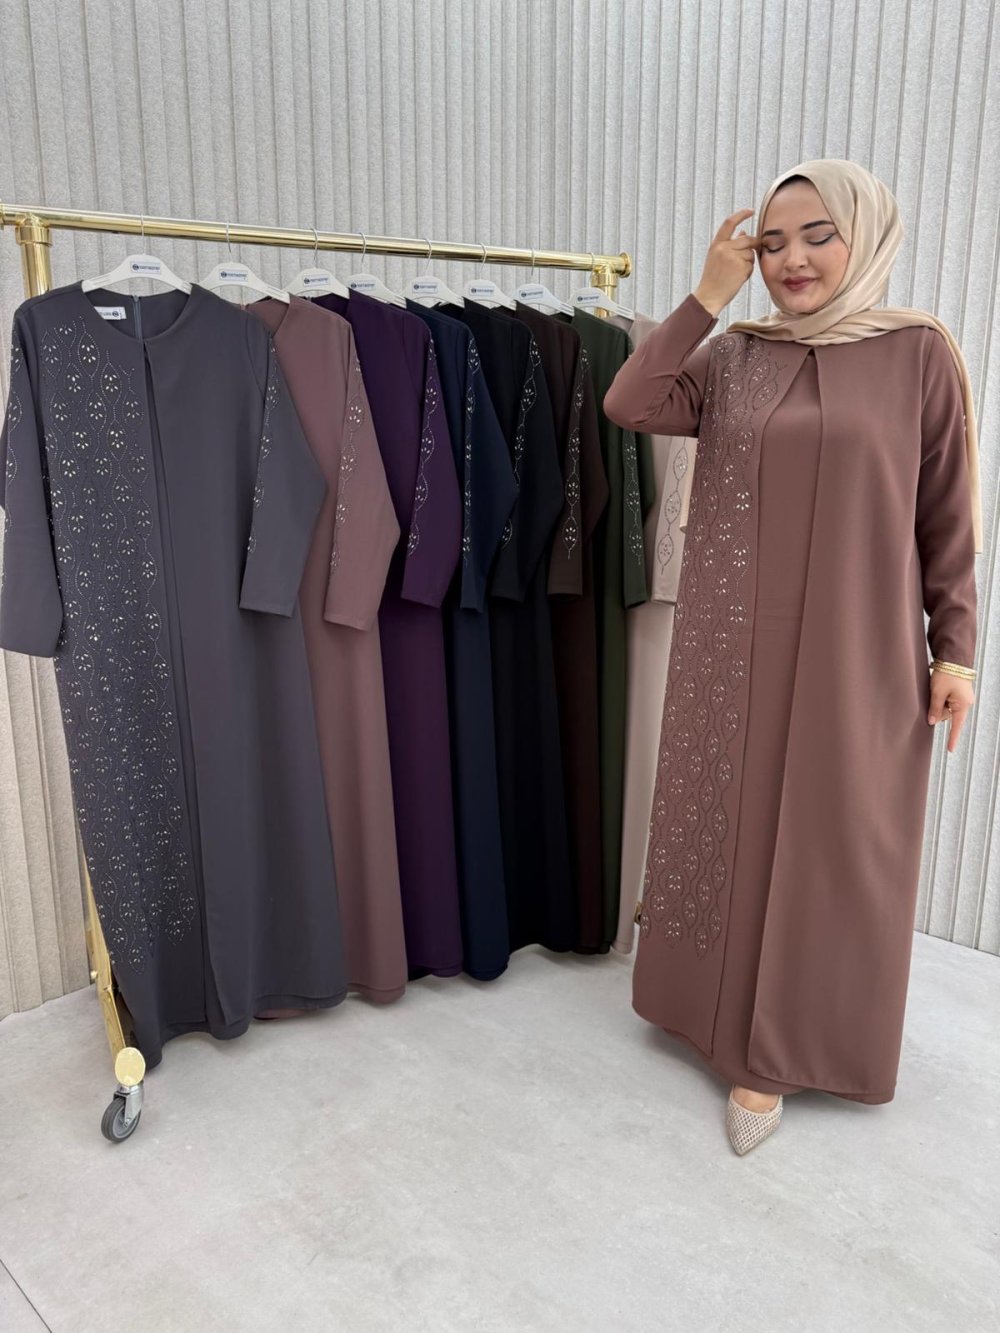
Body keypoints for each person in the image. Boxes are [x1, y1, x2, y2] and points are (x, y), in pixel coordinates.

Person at [604, 158, 981, 1155]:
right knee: (727, 821)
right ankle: (697, 1010)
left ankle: (781, 1050)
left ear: (866, 234)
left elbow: (947, 515)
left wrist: (956, 652)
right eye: (771, 243)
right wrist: (707, 295)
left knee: (834, 843)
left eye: (817, 235)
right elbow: (631, 401)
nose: (792, 260)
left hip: (860, 654)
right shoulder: (737, 354)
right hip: (731, 648)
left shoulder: (917, 353)